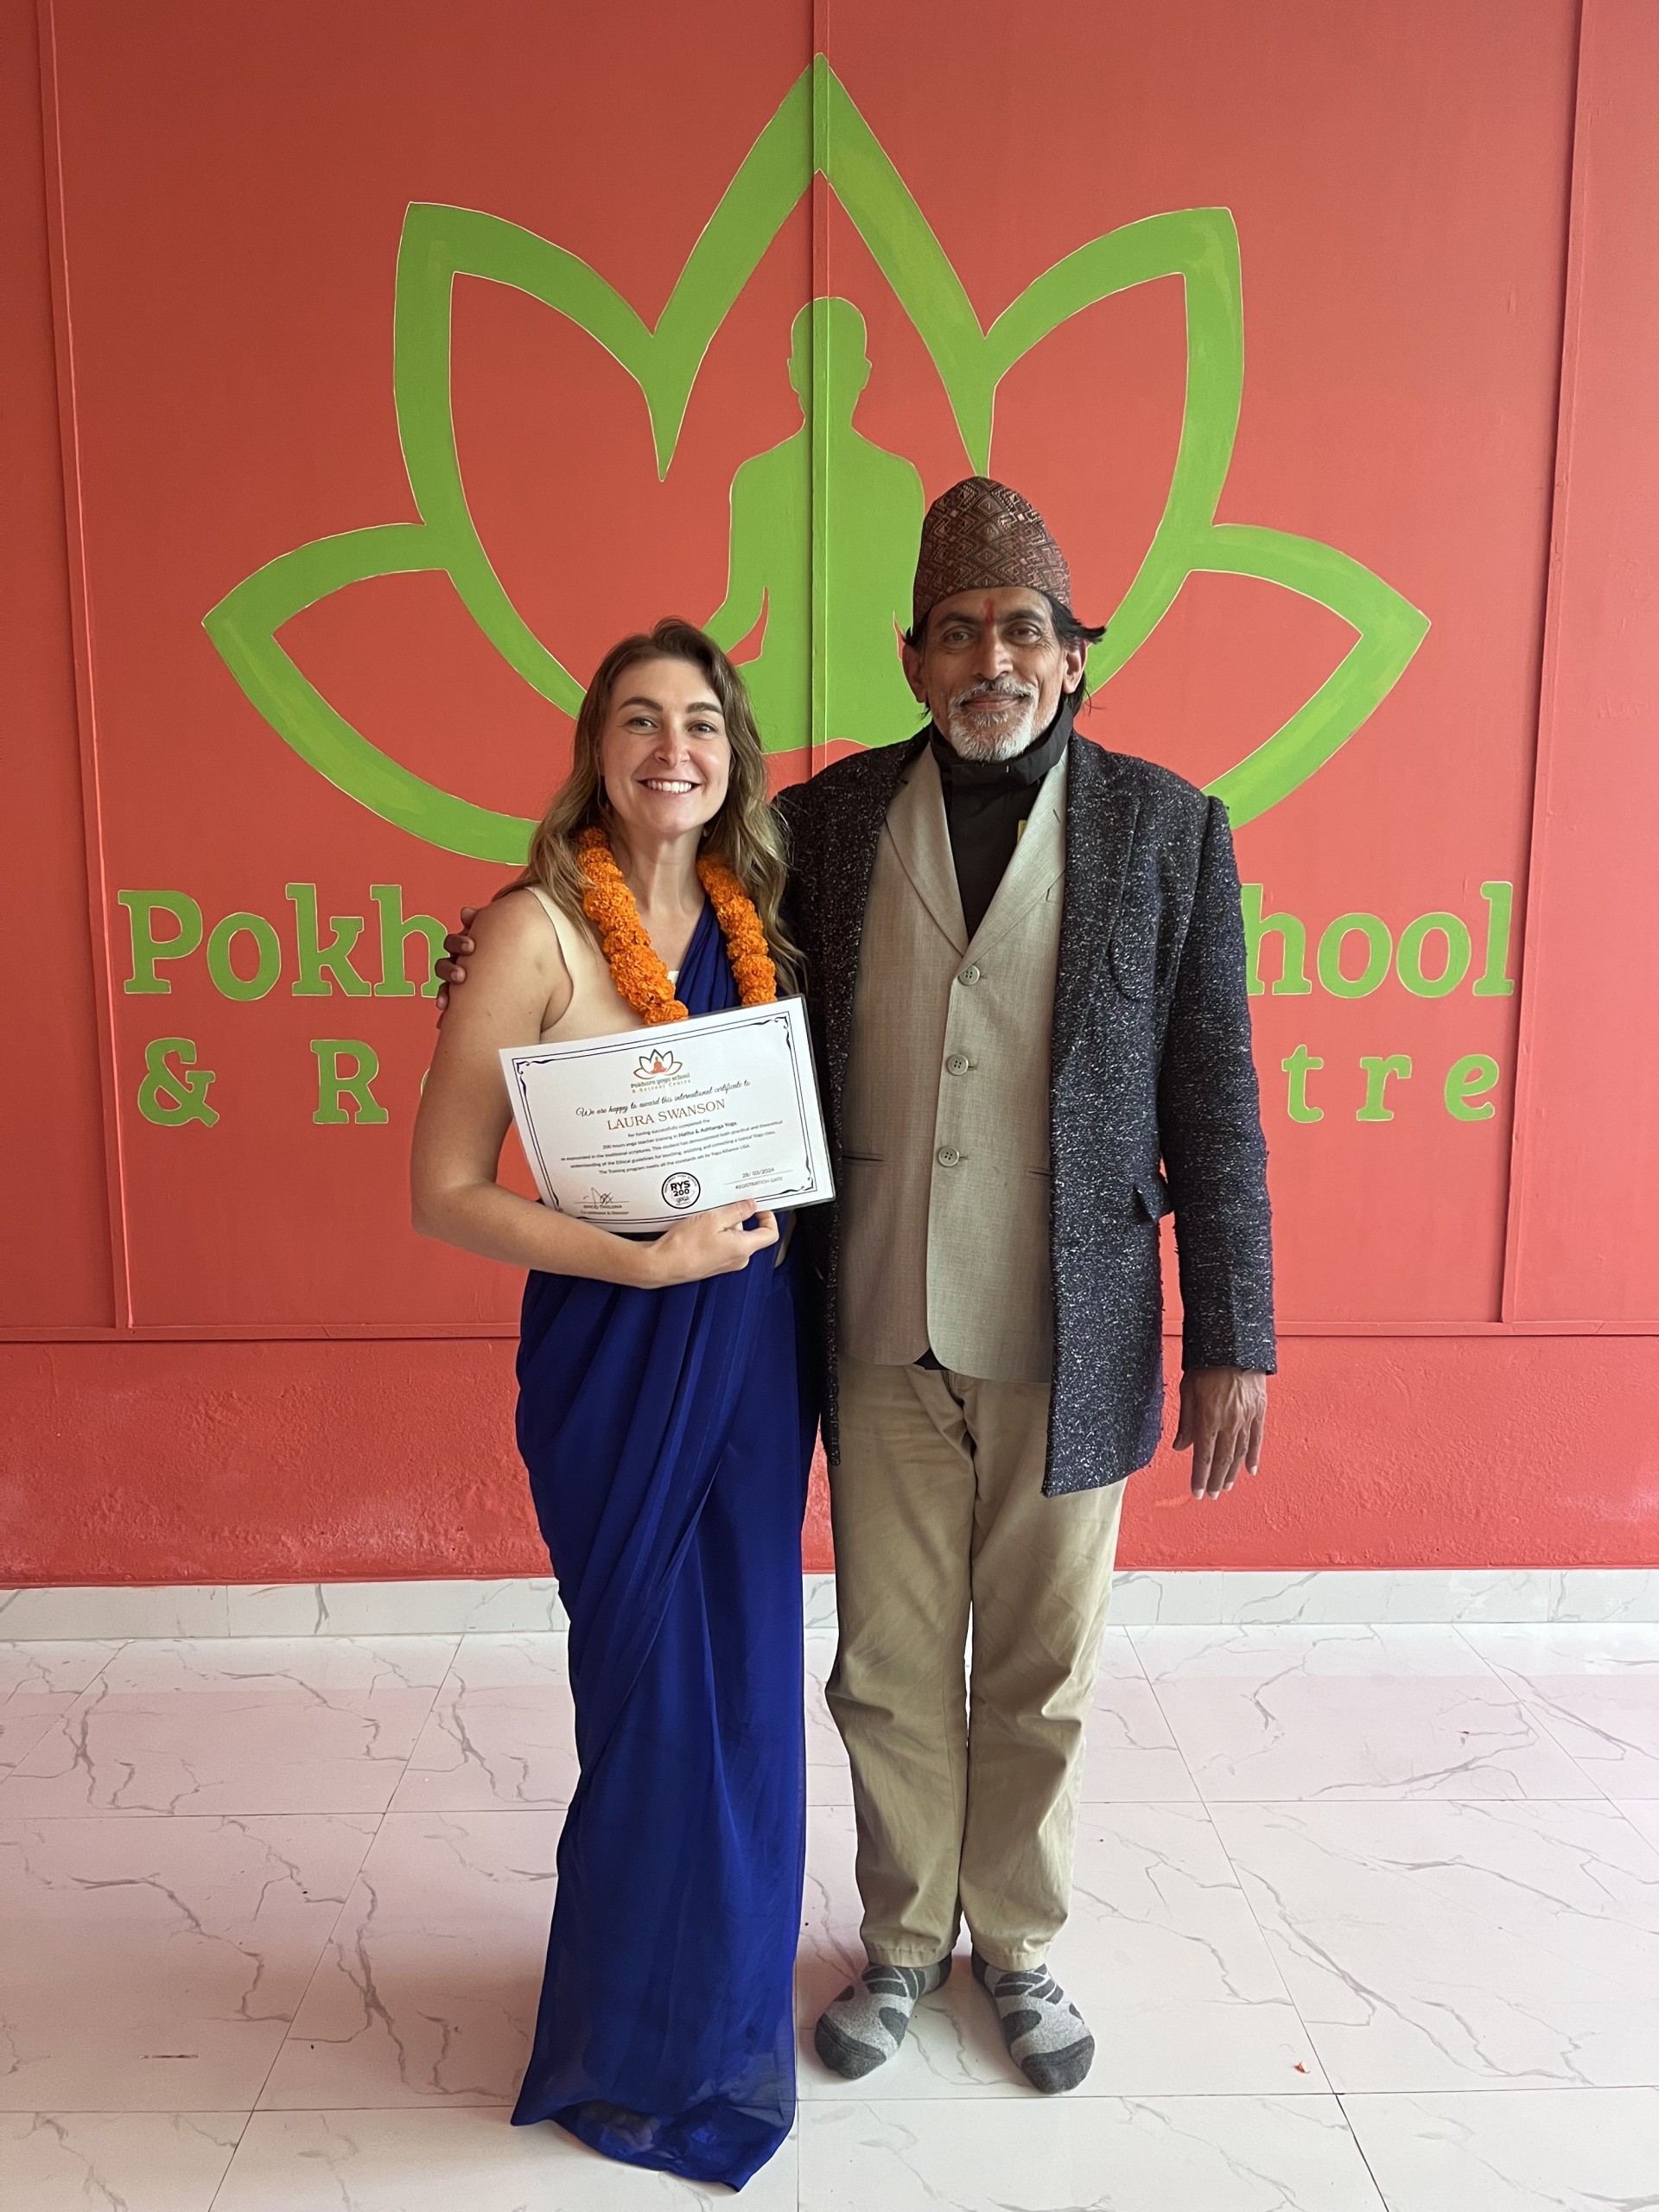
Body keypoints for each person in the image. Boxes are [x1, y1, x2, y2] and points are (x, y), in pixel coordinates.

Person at [440, 478, 1274, 2104]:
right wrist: (487, 954)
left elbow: (1214, 1096)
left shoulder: (1173, 831)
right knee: (888, 1663)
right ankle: (902, 1944)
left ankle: (1017, 1944)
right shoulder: (819, 828)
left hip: (1072, 1326)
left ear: (1075, 658)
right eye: (959, 632)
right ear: (913, 657)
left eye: (1025, 631)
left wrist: (1236, 1332)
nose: (993, 660)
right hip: (872, 1321)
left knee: (1041, 1662)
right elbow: (655, 930)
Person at [410, 618, 816, 2190]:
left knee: (749, 1685)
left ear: (734, 755)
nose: (673, 750)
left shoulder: (765, 909)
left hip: (758, 1349)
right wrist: (637, 1270)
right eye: (640, 721)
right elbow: (444, 1194)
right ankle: (637, 2040)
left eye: (702, 723)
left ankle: (720, 2011)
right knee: (649, 1697)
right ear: (594, 747)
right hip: (617, 1352)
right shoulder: (533, 932)